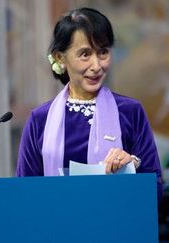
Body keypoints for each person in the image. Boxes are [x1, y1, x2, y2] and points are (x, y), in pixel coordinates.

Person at [16, 7, 163, 202]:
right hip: (55, 228)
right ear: (61, 57)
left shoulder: (130, 111)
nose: (96, 66)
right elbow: (24, 194)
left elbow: (156, 190)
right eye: (85, 54)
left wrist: (131, 166)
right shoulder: (39, 119)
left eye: (103, 52)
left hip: (115, 227)